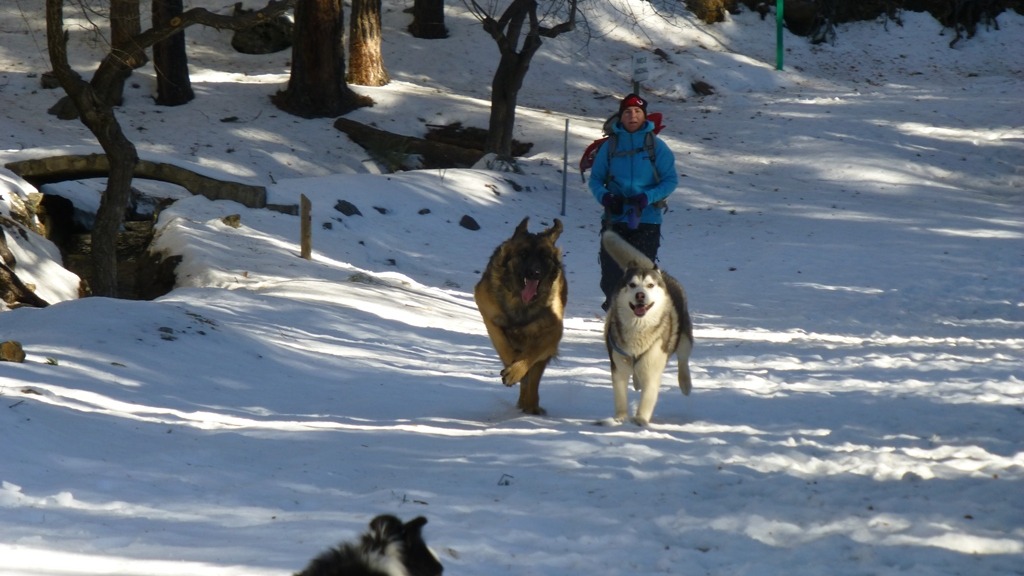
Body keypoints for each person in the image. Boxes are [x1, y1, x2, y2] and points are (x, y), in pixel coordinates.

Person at [588, 93, 679, 311]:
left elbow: (670, 180)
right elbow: (596, 180)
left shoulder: (656, 146)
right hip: (614, 219)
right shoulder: (610, 146)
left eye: (638, 112)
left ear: (644, 116)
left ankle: (641, 318)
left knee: (642, 278)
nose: (633, 116)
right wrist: (606, 197)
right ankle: (615, 314)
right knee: (612, 278)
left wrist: (648, 197)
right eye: (627, 112)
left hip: (647, 220)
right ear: (620, 117)